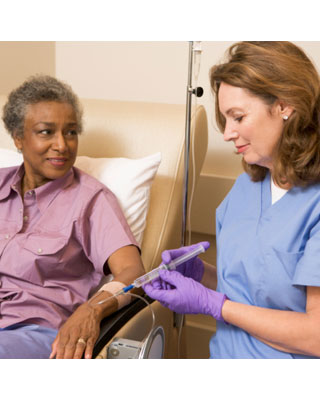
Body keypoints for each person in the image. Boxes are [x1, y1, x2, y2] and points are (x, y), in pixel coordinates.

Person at [144, 41, 320, 359]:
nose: (227, 133)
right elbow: (247, 289)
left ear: (286, 105)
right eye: (225, 119)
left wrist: (215, 306)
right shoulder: (243, 190)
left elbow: (315, 336)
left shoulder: (314, 205)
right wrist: (202, 275)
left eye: (238, 117)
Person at [0, 75, 145, 359]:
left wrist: (91, 309)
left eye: (71, 132)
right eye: (46, 132)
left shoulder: (90, 200)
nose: (62, 145)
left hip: (31, 331)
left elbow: (134, 274)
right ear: (18, 137)